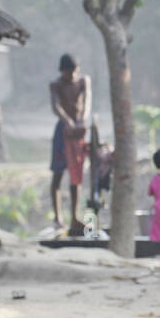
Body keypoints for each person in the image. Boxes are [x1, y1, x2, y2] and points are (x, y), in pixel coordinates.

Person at [49, 53, 90, 232]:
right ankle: (58, 218)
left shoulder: (83, 82)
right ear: (62, 71)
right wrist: (68, 121)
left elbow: (87, 102)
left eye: (74, 72)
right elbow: (55, 106)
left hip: (78, 131)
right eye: (68, 73)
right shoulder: (56, 85)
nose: (72, 76)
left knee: (76, 175)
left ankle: (74, 217)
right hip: (62, 131)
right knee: (58, 173)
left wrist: (81, 120)